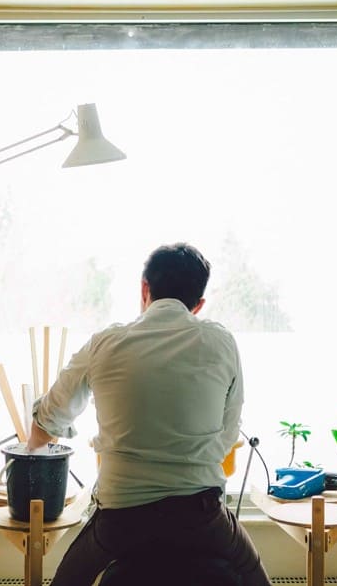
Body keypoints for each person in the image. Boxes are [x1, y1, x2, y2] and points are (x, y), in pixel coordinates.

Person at [28, 242, 272, 586]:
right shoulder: (221, 343)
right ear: (198, 305)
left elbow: (48, 419)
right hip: (201, 516)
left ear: (145, 288)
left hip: (120, 521)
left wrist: (35, 447)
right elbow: (228, 432)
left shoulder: (105, 343)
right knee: (257, 578)